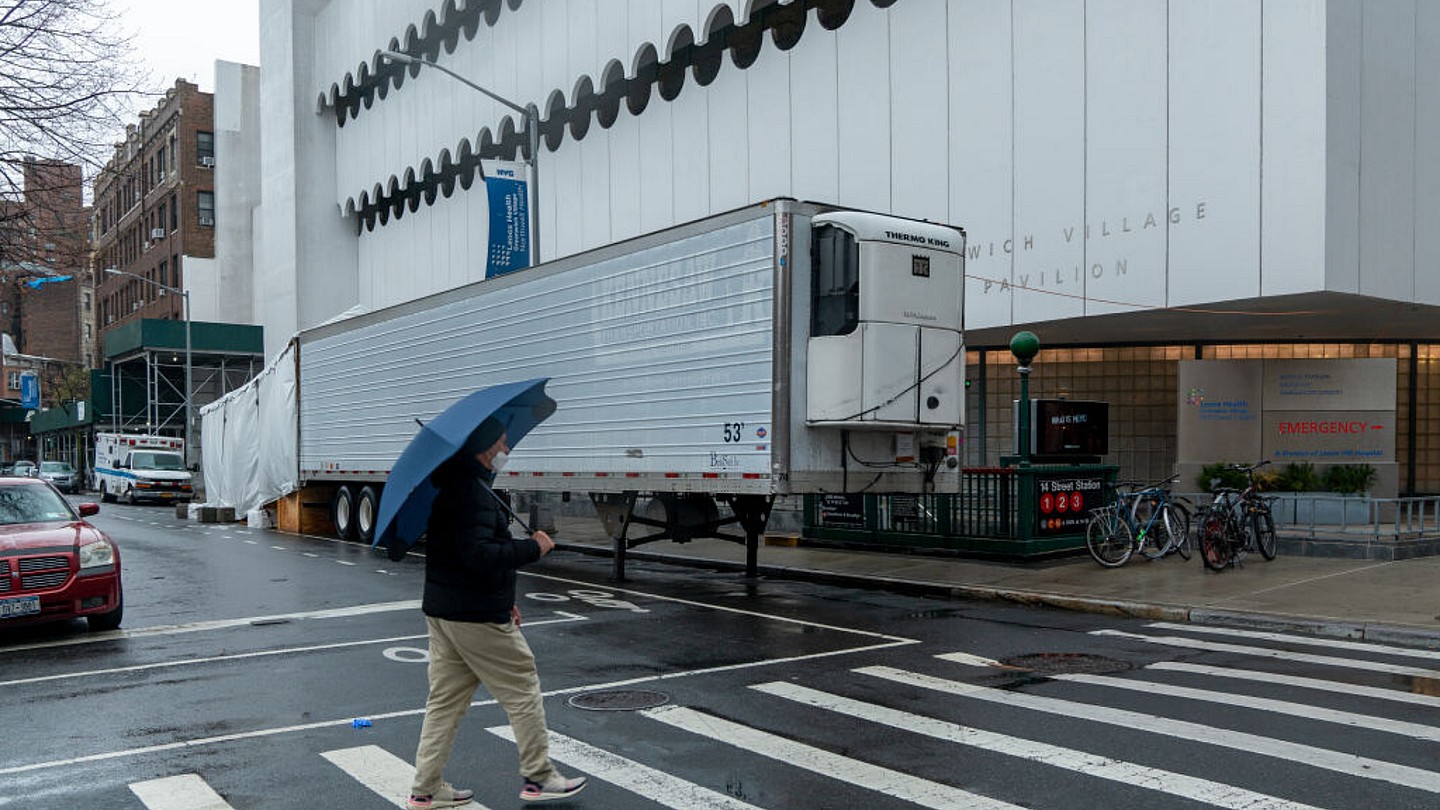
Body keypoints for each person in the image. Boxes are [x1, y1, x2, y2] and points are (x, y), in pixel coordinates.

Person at [407, 415, 587, 808]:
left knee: (444, 702)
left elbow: (464, 555)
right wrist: (533, 548)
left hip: (445, 612)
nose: (506, 449)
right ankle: (539, 777)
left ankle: (426, 789)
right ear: (485, 448)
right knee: (522, 686)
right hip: (475, 615)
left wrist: (506, 600)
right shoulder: (471, 493)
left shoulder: (457, 487)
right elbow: (479, 555)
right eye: (502, 443)